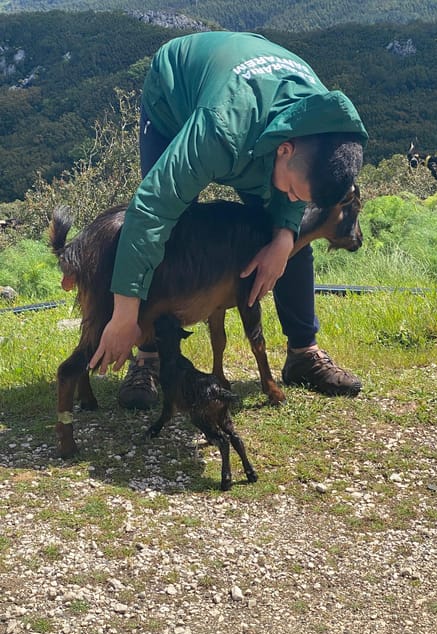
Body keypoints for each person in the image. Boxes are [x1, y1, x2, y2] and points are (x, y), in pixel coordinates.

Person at [89, 31, 368, 409]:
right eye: (292, 190)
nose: (291, 200)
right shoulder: (218, 129)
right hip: (178, 97)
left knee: (284, 234)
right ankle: (148, 357)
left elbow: (293, 199)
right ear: (284, 150)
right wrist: (123, 316)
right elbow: (151, 210)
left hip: (259, 122)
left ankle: (303, 353)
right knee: (174, 229)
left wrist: (284, 237)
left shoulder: (320, 120)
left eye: (301, 198)